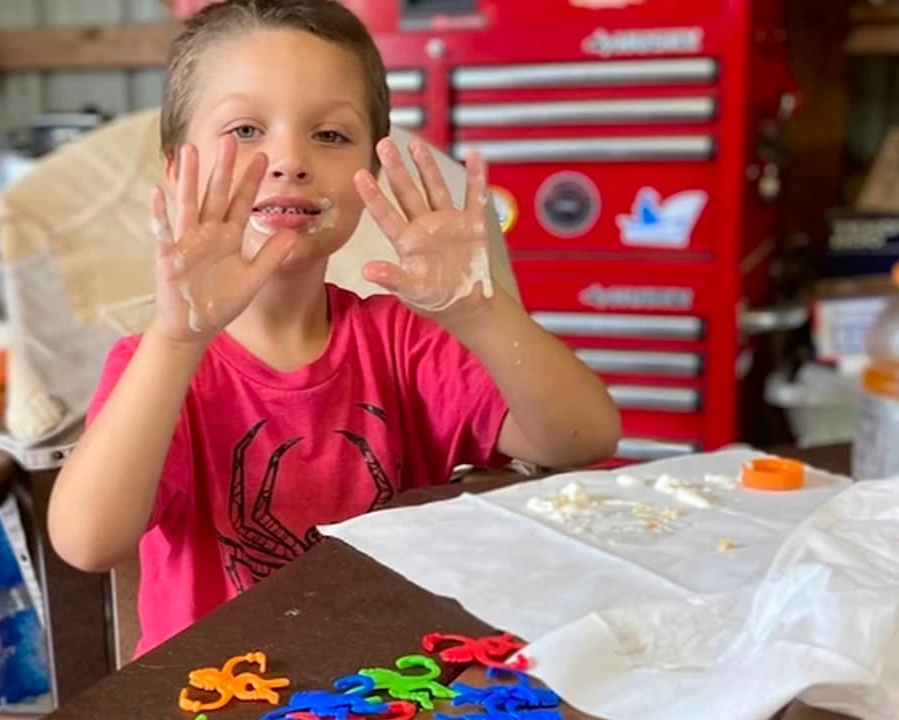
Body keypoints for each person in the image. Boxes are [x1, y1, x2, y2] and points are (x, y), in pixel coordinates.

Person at [48, 0, 621, 656]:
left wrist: (480, 313)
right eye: (245, 130)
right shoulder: (157, 365)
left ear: (368, 175)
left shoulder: (403, 343)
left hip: (392, 684)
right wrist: (177, 341)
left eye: (330, 135)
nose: (289, 159)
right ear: (178, 170)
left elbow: (583, 436)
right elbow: (87, 542)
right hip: (214, 691)